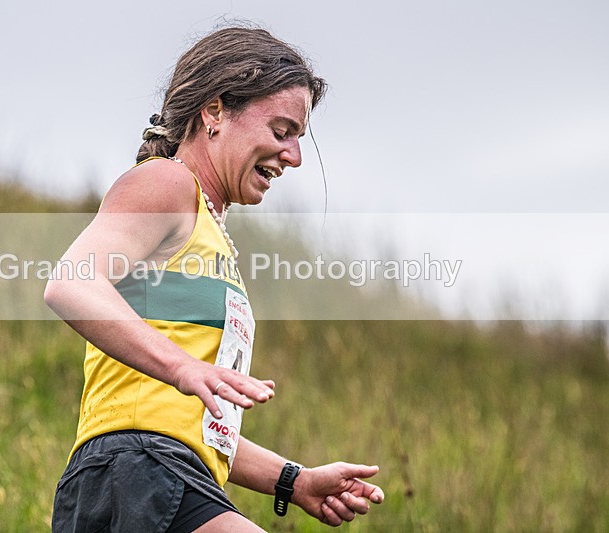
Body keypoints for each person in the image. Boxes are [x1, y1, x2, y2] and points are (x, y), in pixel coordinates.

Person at [44, 25, 384, 532]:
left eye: (298, 139)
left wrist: (294, 481)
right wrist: (183, 367)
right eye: (281, 130)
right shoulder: (166, 182)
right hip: (136, 469)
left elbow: (194, 423)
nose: (294, 156)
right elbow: (71, 282)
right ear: (215, 111)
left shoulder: (210, 234)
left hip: (165, 471)